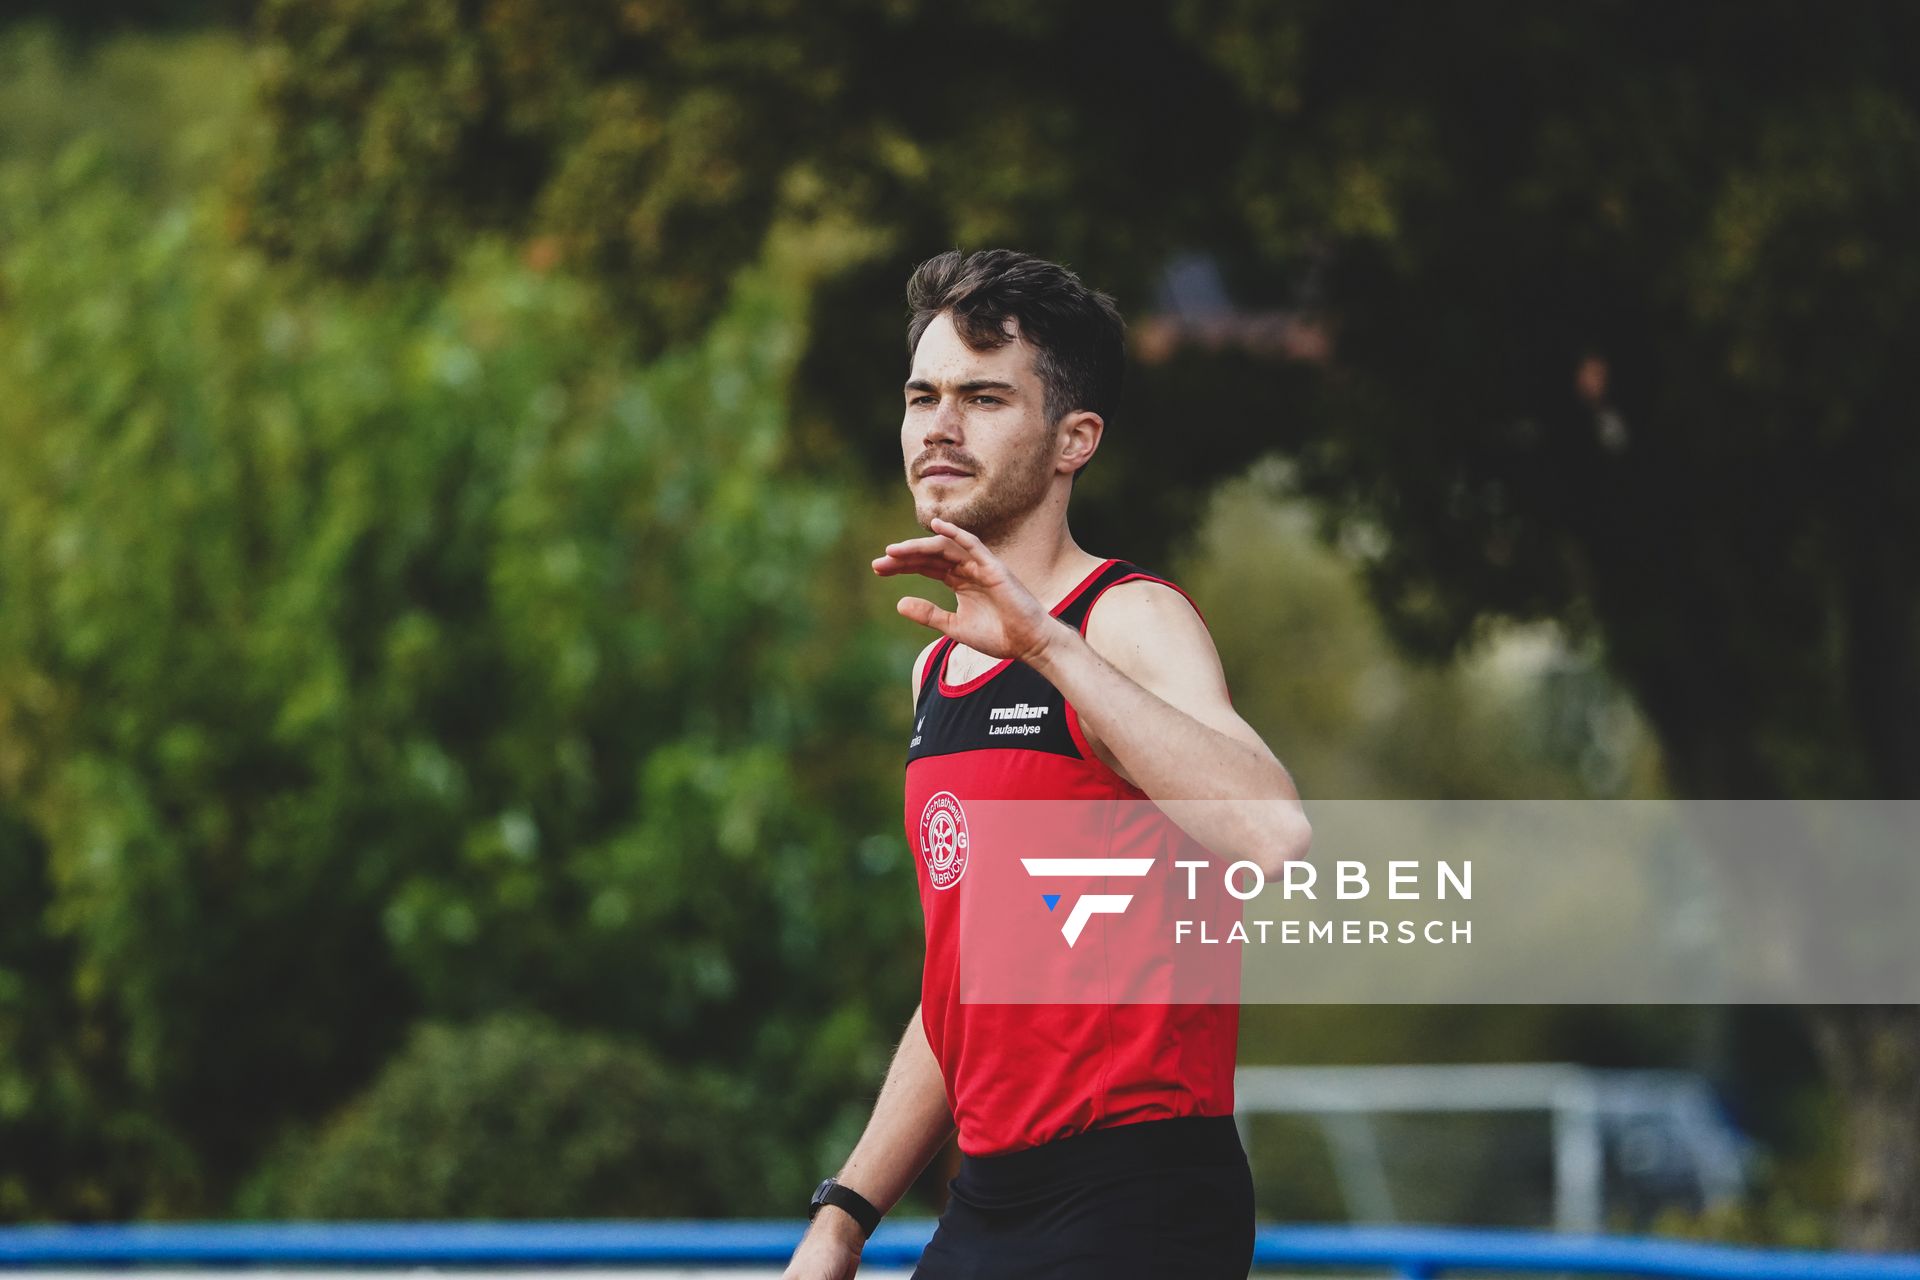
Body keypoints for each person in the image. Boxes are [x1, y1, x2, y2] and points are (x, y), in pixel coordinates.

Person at [781, 249, 1311, 1280]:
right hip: (991, 1195)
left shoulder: (1125, 618)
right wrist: (842, 1217)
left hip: (1139, 1196)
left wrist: (1048, 646)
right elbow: (968, 985)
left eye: (983, 397)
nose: (940, 425)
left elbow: (1274, 829)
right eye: (922, 395)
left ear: (1075, 438)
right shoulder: (941, 666)